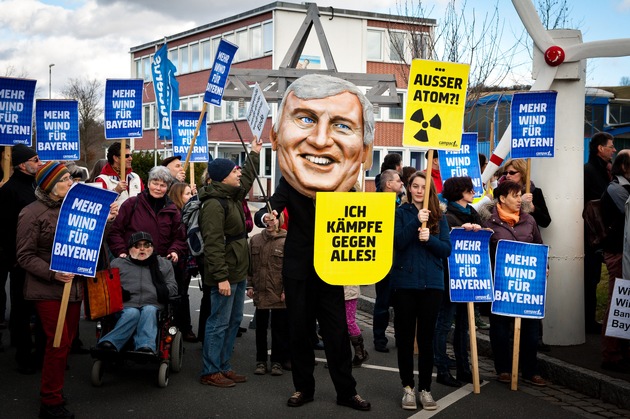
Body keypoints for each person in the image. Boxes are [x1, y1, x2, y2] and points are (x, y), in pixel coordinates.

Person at [254, 74, 372, 411]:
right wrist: (269, 217)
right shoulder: (291, 183)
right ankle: (303, 388)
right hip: (298, 267)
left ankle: (346, 391)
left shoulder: (347, 188)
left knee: (336, 334)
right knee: (300, 332)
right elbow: (271, 205)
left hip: (331, 269)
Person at [16, 161, 118, 419]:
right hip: (48, 289)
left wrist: (106, 221)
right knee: (57, 343)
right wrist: (53, 273)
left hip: (73, 289)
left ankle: (54, 393)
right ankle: (50, 402)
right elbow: (24, 256)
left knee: (64, 343)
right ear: (49, 185)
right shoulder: (31, 213)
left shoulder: (71, 208)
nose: (70, 183)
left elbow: (89, 240)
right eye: (64, 180)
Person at [198, 139, 261, 388]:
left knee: (234, 321)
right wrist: (221, 277)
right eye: (234, 171)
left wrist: (254, 153)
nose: (238, 173)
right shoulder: (214, 204)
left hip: (237, 270)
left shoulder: (232, 196)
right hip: (224, 273)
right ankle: (210, 371)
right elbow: (213, 245)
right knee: (218, 322)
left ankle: (224, 366)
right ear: (223, 177)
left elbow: (246, 178)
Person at [390, 171, 451, 411]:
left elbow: (446, 250)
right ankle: (408, 388)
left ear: (430, 191)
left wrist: (430, 239)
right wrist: (416, 222)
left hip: (432, 285)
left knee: (426, 339)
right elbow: (398, 242)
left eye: (423, 187)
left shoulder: (440, 217)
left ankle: (425, 389)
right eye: (414, 186)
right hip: (405, 283)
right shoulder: (400, 213)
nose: (418, 190)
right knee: (405, 339)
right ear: (408, 189)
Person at [479, 180, 547, 387]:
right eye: (514, 196)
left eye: (520, 196)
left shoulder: (529, 221)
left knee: (530, 328)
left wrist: (544, 266)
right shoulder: (488, 222)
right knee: (499, 327)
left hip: (527, 285)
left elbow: (538, 245)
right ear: (501, 198)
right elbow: (482, 251)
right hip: (499, 282)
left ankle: (530, 370)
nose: (519, 200)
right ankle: (504, 369)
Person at [0, 144, 45, 375]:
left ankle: (35, 351)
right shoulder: (10, 190)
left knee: (35, 307)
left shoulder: (34, 185)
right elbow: (6, 228)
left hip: (35, 255)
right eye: (35, 160)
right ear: (21, 164)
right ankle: (23, 355)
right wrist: (15, 258)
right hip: (21, 258)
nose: (39, 163)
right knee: (21, 307)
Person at [97, 232, 178, 354]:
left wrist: (157, 292)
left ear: (152, 248)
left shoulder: (163, 264)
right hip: (126, 305)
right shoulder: (118, 264)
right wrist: (119, 292)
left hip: (153, 304)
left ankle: (145, 345)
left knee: (149, 311)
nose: (142, 249)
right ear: (130, 249)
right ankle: (111, 342)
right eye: (137, 245)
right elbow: (107, 287)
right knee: (132, 313)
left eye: (146, 245)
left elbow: (173, 287)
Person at [433, 176, 479, 388]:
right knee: (444, 324)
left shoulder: (473, 213)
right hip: (450, 278)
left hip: (469, 277)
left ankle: (464, 368)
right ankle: (442, 368)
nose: (472, 191)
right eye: (468, 188)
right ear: (460, 191)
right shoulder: (447, 216)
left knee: (464, 325)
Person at [107, 166, 187, 265]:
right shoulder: (131, 204)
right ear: (148, 184)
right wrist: (121, 252)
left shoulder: (173, 211)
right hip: (132, 264)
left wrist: (174, 251)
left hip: (160, 265)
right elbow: (115, 232)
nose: (158, 188)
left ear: (167, 188)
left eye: (163, 185)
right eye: (155, 183)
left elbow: (180, 238)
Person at [246, 214, 290, 376]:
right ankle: (261, 361)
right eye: (267, 219)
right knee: (261, 329)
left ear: (280, 221)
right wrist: (250, 285)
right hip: (261, 290)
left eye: (274, 219)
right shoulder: (256, 240)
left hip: (278, 293)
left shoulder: (287, 241)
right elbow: (250, 266)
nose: (270, 222)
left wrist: (286, 290)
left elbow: (289, 269)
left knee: (279, 329)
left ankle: (277, 362)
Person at [599, 150, 630, 373]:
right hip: (618, 253)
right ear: (625, 167)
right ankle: (611, 353)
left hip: (620, 251)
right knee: (617, 303)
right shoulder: (618, 189)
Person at [584, 132, 616, 334]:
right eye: (611, 146)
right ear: (600, 148)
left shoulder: (602, 171)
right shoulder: (590, 172)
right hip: (592, 235)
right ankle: (587, 320)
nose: (613, 149)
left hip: (596, 235)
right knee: (589, 278)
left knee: (593, 278)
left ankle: (588, 319)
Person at [372, 169, 404, 353]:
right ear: (388, 184)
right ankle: (379, 338)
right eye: (398, 180)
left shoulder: (400, 204)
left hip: (399, 260)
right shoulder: (377, 204)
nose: (402, 183)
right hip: (384, 259)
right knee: (383, 302)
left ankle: (400, 337)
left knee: (401, 304)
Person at [167, 183, 198, 343]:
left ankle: (184, 328)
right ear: (178, 196)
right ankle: (179, 328)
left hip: (185, 260)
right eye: (187, 194)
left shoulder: (188, 212)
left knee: (183, 294)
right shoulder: (174, 214)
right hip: (175, 260)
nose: (190, 197)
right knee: (176, 295)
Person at [501, 158, 551, 229]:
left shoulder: (535, 192)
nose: (508, 176)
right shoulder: (501, 191)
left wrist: (533, 208)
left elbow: (546, 222)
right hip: (507, 234)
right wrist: (520, 201)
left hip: (528, 236)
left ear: (522, 173)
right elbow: (498, 214)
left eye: (512, 173)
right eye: (506, 173)